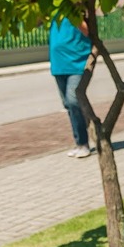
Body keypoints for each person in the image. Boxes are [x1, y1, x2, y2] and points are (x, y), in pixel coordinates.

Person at [49, 16, 93, 158]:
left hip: (78, 63)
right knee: (68, 104)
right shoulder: (51, 9)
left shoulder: (79, 9)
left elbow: (88, 31)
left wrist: (75, 16)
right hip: (58, 64)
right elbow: (36, 22)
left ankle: (84, 143)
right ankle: (80, 142)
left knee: (74, 101)